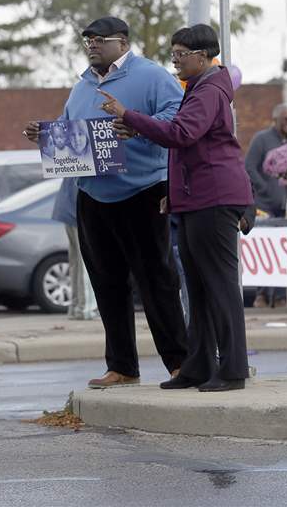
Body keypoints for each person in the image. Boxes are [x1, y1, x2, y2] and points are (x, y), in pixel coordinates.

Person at [24, 16, 188, 389]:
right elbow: (72, 131)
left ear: (123, 43)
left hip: (142, 191)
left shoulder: (151, 76)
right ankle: (123, 366)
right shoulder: (82, 86)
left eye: (99, 40)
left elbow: (177, 119)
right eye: (88, 41)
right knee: (107, 284)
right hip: (93, 195)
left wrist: (135, 123)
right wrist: (45, 135)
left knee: (156, 281)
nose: (92, 46)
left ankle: (181, 362)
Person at [101, 23, 254, 392]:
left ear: (204, 56)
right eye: (173, 53)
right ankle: (198, 366)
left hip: (215, 200)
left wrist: (129, 115)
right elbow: (187, 148)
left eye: (181, 54)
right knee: (198, 289)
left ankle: (233, 370)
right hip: (195, 198)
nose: (175, 59)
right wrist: (176, 192)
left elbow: (181, 134)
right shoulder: (198, 88)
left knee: (219, 288)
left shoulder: (209, 90)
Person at [245, 104, 287, 309]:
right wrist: (264, 188)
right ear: (275, 120)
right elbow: (249, 166)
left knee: (284, 252)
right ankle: (262, 294)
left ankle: (281, 296)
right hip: (264, 205)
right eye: (286, 120)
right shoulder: (262, 140)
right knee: (265, 251)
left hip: (285, 206)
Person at [51, 178, 98, 320]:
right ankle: (86, 309)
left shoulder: (75, 160)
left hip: (68, 212)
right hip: (77, 214)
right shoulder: (87, 165)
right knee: (85, 262)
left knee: (76, 263)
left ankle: (76, 306)